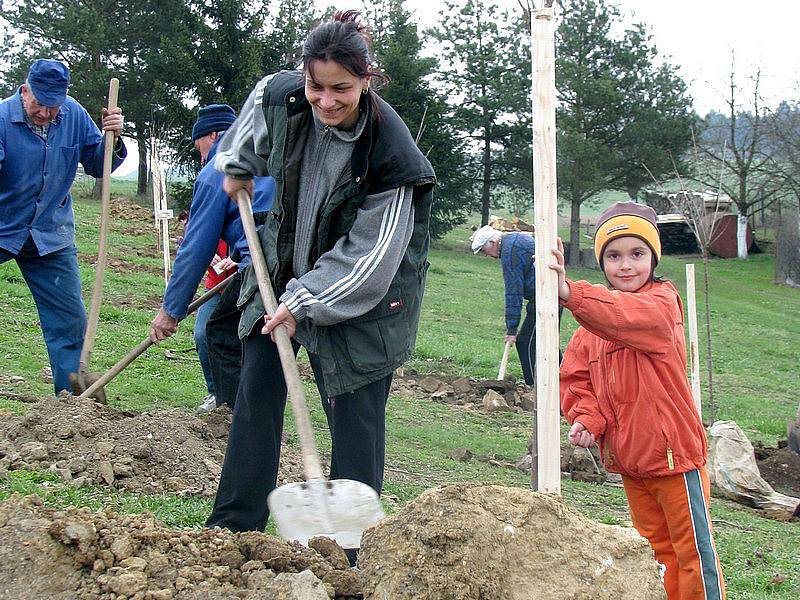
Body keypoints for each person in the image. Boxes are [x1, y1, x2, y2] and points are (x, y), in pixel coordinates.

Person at [207, 10, 435, 536]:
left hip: (363, 303)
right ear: (303, 76)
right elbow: (257, 111)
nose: (326, 101)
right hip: (281, 271)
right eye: (316, 85)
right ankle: (232, 530)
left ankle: (349, 551)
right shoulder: (286, 99)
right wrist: (238, 163)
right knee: (255, 399)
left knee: (354, 424)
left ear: (367, 80)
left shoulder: (391, 152)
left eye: (342, 89)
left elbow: (371, 259)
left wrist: (304, 300)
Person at [552, 202, 725, 600]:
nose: (625, 265)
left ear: (653, 257)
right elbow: (577, 380)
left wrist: (571, 293)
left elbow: (624, 317)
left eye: (637, 254)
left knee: (693, 555)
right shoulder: (590, 328)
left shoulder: (661, 304)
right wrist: (587, 418)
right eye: (614, 255)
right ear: (602, 261)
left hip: (674, 459)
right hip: (631, 462)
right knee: (655, 554)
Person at [0, 58, 126, 395]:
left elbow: (100, 165)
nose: (45, 113)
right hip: (4, 227)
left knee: (70, 323)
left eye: (53, 106)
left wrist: (111, 137)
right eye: (39, 103)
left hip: (49, 235)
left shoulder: (73, 114)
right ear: (24, 90)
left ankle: (71, 405)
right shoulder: (1, 120)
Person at [148, 104, 275, 411]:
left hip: (262, 266)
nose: (199, 152)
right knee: (263, 339)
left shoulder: (218, 168)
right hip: (288, 260)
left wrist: (171, 310)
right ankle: (252, 412)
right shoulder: (270, 154)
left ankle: (231, 415)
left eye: (199, 144)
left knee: (218, 333)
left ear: (215, 135)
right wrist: (238, 252)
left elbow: (196, 247)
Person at [472, 224, 559, 385]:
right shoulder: (514, 240)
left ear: (492, 243)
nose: (488, 256)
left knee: (526, 342)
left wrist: (512, 329)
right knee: (549, 343)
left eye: (485, 251)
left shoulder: (510, 252)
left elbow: (514, 292)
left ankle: (536, 390)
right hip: (551, 294)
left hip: (546, 297)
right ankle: (566, 385)